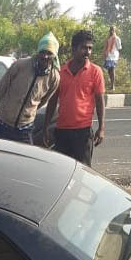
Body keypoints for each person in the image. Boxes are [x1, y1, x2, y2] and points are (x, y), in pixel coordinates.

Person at [44, 29, 105, 165]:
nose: (87, 52)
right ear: (74, 48)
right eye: (84, 48)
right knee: (61, 170)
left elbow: (100, 101)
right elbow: (53, 101)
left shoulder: (96, 72)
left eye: (90, 48)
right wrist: (46, 128)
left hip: (83, 132)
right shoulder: (61, 72)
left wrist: (101, 128)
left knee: (82, 172)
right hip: (62, 131)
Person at [0, 32, 61, 144]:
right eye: (42, 52)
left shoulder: (54, 77)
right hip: (4, 124)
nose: (45, 56)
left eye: (49, 53)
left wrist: (29, 110)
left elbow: (44, 100)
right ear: (38, 51)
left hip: (25, 128)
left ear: (54, 55)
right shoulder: (21, 65)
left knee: (23, 160)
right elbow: (3, 87)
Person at [103, 25, 122, 90]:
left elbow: (119, 48)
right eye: (110, 30)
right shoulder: (108, 38)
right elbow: (106, 46)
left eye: (112, 30)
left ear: (114, 30)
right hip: (108, 55)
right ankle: (111, 84)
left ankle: (113, 86)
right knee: (109, 70)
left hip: (114, 56)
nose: (111, 31)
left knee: (112, 69)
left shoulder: (117, 38)